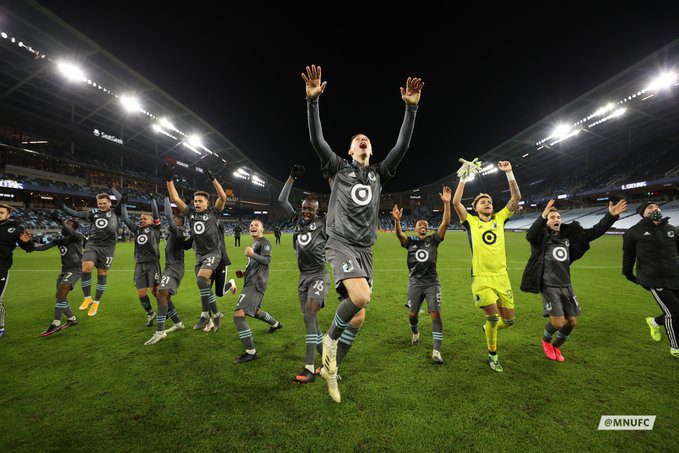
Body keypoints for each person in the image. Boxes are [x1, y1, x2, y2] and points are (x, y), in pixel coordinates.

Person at [303, 64, 423, 402]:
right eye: (358, 140)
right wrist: (312, 102)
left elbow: (402, 146)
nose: (363, 140)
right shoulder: (338, 168)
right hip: (340, 242)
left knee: (358, 317)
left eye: (366, 140)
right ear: (351, 149)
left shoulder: (380, 173)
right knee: (360, 297)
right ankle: (328, 342)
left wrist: (410, 108)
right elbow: (316, 140)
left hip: (365, 248)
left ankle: (331, 369)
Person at [521, 198, 627, 361]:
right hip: (548, 285)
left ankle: (556, 347)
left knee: (571, 322)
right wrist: (543, 215)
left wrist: (610, 216)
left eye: (558, 217)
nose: (556, 220)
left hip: (566, 284)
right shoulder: (540, 240)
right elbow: (531, 234)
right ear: (546, 221)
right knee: (557, 323)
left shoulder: (568, 237)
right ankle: (546, 342)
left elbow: (594, 232)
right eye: (552, 218)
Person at [452, 160, 521, 372]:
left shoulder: (500, 219)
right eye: (482, 202)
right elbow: (456, 203)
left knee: (508, 322)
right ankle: (493, 355)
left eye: (489, 201)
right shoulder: (471, 222)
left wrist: (509, 173)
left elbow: (516, 198)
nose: (487, 203)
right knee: (492, 317)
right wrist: (463, 178)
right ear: (475, 208)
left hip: (502, 276)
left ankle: (488, 329)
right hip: (481, 277)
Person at [278, 164, 329, 382]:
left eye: (311, 209)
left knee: (310, 315)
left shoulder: (325, 223)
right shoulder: (297, 220)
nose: (307, 212)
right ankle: (329, 361)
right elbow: (282, 201)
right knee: (312, 323)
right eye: (305, 208)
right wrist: (290, 178)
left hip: (319, 275)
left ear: (318, 211)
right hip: (303, 278)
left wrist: (332, 180)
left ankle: (309, 368)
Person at [165, 165, 232, 332]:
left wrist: (213, 179)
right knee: (205, 288)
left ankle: (204, 315)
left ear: (207, 202)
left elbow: (223, 197)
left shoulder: (214, 212)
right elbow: (175, 198)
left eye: (200, 201)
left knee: (202, 279)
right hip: (199, 255)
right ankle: (216, 316)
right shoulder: (190, 214)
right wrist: (169, 180)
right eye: (195, 201)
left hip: (213, 253)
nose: (197, 203)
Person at [392, 187, 451, 364]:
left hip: (432, 282)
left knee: (435, 314)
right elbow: (399, 235)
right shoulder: (410, 241)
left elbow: (445, 223)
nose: (423, 227)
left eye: (425, 225)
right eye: (420, 225)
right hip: (415, 282)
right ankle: (415, 331)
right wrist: (397, 221)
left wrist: (447, 203)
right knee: (412, 314)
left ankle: (436, 351)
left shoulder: (434, 240)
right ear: (416, 228)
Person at [623, 201, 679, 359]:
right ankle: (676, 347)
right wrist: (629, 275)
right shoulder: (633, 232)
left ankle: (654, 322)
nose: (656, 209)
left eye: (657, 207)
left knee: (676, 311)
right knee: (673, 312)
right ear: (643, 213)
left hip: (675, 276)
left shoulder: (672, 229)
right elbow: (628, 256)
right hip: (654, 279)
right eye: (651, 207)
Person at [54, 188, 122, 317]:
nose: (102, 205)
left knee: (102, 273)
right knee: (86, 267)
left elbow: (122, 201)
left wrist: (113, 188)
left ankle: (96, 302)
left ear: (109, 202)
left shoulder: (116, 212)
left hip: (108, 247)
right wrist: (63, 206)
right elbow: (77, 214)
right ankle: (87, 298)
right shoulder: (93, 213)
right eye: (99, 203)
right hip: (93, 244)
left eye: (104, 203)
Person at [26, 212, 85, 336]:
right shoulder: (61, 239)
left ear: (72, 228)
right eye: (63, 226)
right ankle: (71, 319)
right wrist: (30, 246)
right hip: (64, 270)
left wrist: (61, 221)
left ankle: (56, 323)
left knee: (60, 293)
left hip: (75, 269)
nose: (63, 228)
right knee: (61, 297)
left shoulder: (77, 236)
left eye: (67, 226)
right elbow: (45, 246)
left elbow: (71, 231)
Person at [232, 219, 282, 363]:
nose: (252, 226)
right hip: (250, 282)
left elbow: (266, 261)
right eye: (251, 225)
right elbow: (255, 266)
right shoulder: (255, 244)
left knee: (238, 315)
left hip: (256, 284)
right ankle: (276, 324)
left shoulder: (264, 242)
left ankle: (251, 352)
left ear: (262, 229)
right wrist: (243, 273)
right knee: (257, 312)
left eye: (256, 225)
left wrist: (252, 254)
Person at [145, 197, 193, 345]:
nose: (171, 220)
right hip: (169, 268)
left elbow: (167, 215)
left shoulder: (177, 231)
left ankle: (160, 332)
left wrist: (166, 198)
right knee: (162, 294)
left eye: (174, 219)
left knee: (161, 293)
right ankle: (178, 323)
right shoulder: (173, 234)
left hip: (175, 268)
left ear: (178, 222)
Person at [120, 195, 161, 327]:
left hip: (152, 264)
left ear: (150, 221)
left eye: (144, 218)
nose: (141, 220)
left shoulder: (155, 229)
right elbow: (125, 219)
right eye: (140, 218)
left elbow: (155, 214)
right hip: (139, 265)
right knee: (141, 292)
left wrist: (153, 200)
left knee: (155, 291)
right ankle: (150, 313)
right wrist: (123, 204)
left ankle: (167, 309)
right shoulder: (137, 230)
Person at [0, 204, 33, 337]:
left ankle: (0, 327)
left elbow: (28, 248)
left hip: (1, 268)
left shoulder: (15, 229)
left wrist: (26, 242)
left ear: (8, 215)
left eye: (1, 213)